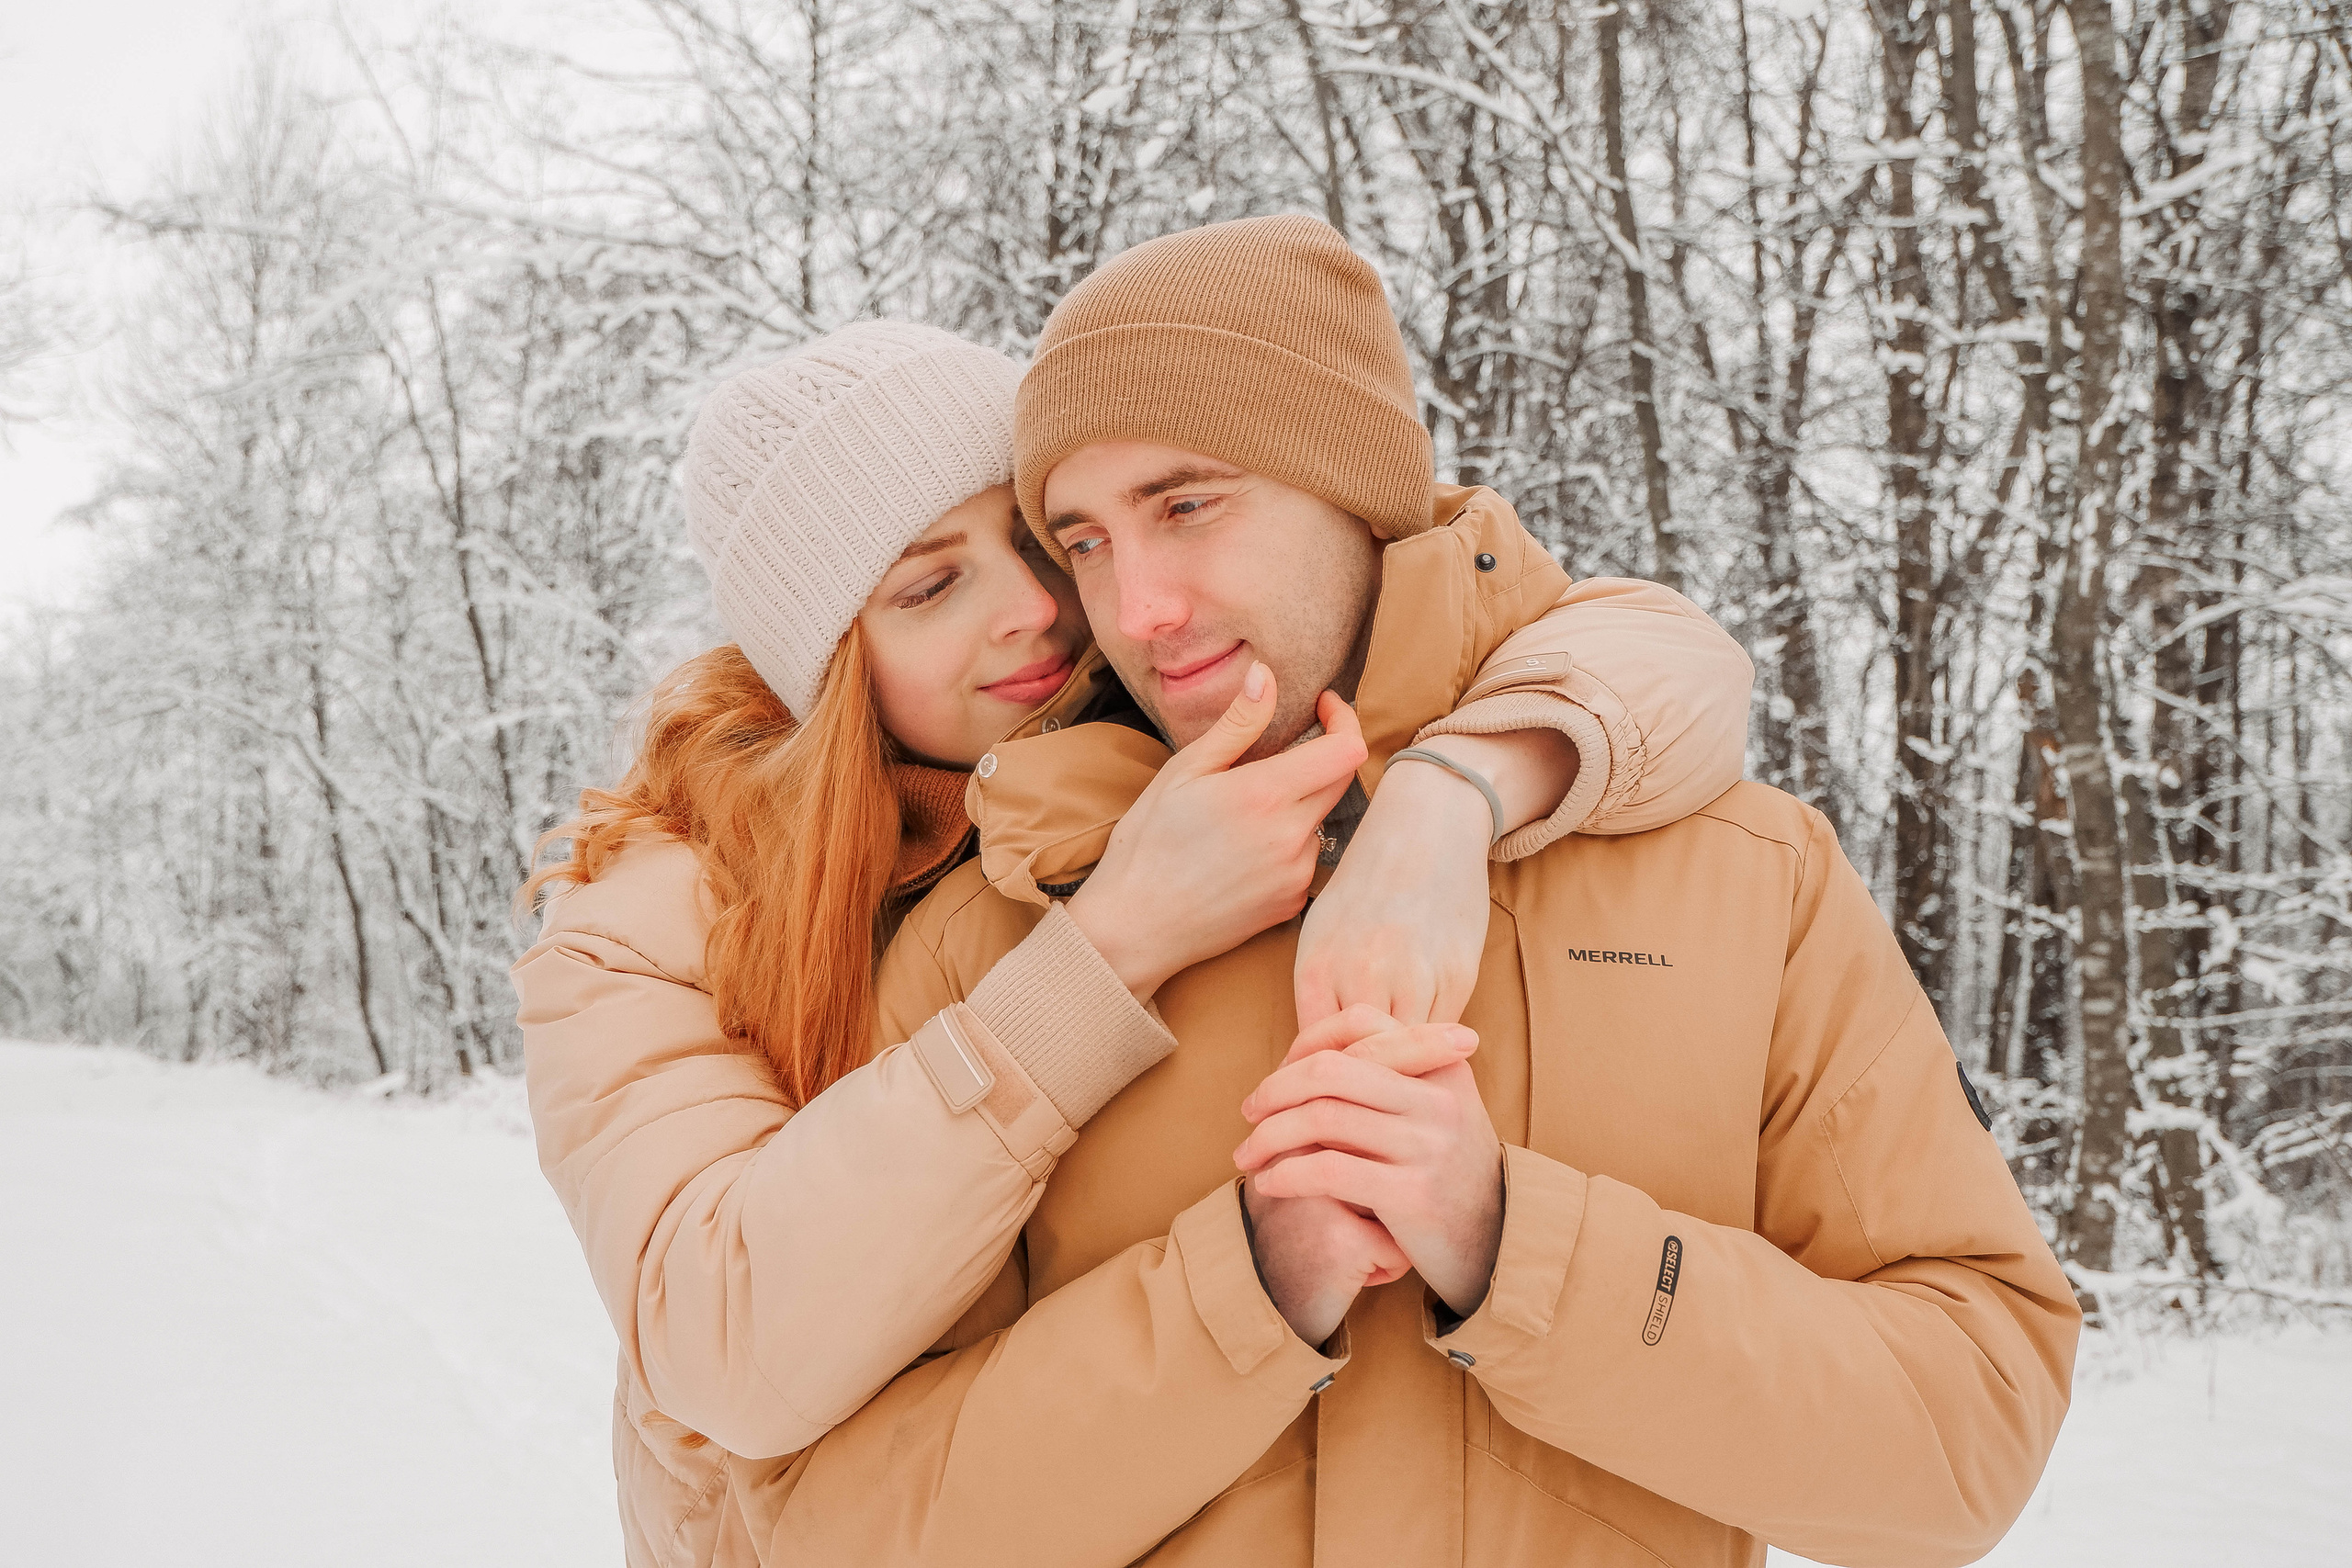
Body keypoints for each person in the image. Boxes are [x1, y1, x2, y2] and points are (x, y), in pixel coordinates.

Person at [701, 218, 2082, 1567]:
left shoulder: (1743, 879)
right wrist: (1243, 1290)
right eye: (1087, 541)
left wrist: (1513, 1247)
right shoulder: (1000, 941)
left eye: (1187, 503)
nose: (1140, 607)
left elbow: (1966, 1442)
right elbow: (826, 1533)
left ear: (1356, 486)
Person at [512, 320, 1756, 1565]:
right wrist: (1109, 949)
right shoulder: (655, 920)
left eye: (1048, 541)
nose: (1039, 611)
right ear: (824, 661)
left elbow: (1628, 636)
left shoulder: (1161, 703)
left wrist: (1456, 791)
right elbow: (730, 1347)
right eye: (932, 585)